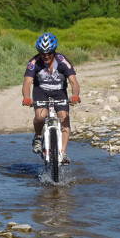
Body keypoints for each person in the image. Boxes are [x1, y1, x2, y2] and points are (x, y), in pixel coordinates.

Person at [21, 32, 81, 164]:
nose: (46, 56)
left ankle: (63, 153)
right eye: (42, 53)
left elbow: (73, 82)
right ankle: (37, 137)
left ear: (54, 51)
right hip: (41, 91)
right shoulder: (34, 62)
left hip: (59, 91)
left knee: (64, 117)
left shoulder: (62, 61)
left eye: (49, 53)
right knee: (40, 116)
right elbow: (27, 82)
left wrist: (75, 95)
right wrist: (26, 97)